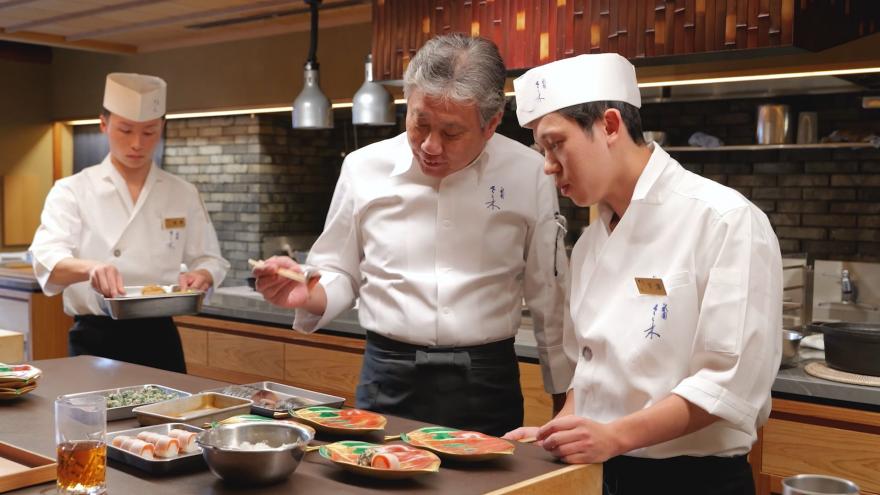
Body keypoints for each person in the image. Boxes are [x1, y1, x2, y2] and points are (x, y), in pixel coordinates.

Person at [253, 34, 574, 437]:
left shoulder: (530, 172)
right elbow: (339, 270)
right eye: (419, 123)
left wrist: (564, 398)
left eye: (451, 133)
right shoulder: (363, 168)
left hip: (487, 381)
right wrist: (308, 292)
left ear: (491, 124)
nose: (430, 146)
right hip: (388, 376)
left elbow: (549, 295)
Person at [502, 54, 782, 495]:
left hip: (693, 482)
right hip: (602, 473)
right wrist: (557, 433)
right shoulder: (590, 243)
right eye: (542, 151)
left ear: (610, 125)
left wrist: (615, 437)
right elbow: (590, 370)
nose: (548, 165)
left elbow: (727, 385)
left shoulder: (724, 220)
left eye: (556, 144)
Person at [30, 73, 229, 373]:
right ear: (103, 124)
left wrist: (203, 274)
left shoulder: (182, 192)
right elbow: (46, 259)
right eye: (125, 130)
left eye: (149, 132)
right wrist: (91, 268)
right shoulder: (72, 190)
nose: (137, 143)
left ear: (162, 127)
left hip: (160, 338)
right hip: (95, 338)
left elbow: (211, 258)